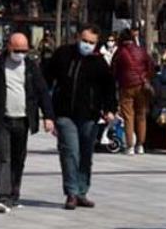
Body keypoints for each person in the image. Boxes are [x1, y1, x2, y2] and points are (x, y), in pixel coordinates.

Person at [0, 32, 55, 213]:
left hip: (23, 119)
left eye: (24, 50)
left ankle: (14, 194)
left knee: (18, 159)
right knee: (3, 158)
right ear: (8, 47)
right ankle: (3, 197)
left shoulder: (31, 66)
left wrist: (48, 117)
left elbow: (42, 92)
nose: (21, 53)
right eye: (17, 49)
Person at [44, 24, 117, 210]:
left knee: (85, 155)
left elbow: (109, 89)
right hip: (64, 114)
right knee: (70, 153)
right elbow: (46, 80)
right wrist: (47, 112)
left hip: (89, 116)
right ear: (77, 38)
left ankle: (82, 191)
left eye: (91, 42)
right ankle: (71, 193)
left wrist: (110, 109)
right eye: (84, 40)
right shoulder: (63, 54)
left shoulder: (100, 63)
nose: (87, 45)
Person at [112, 29, 153, 155]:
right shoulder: (141, 50)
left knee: (128, 117)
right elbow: (150, 65)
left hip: (126, 87)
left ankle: (130, 146)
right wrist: (146, 78)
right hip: (142, 86)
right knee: (141, 116)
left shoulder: (120, 52)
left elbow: (114, 69)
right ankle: (140, 145)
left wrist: (118, 81)